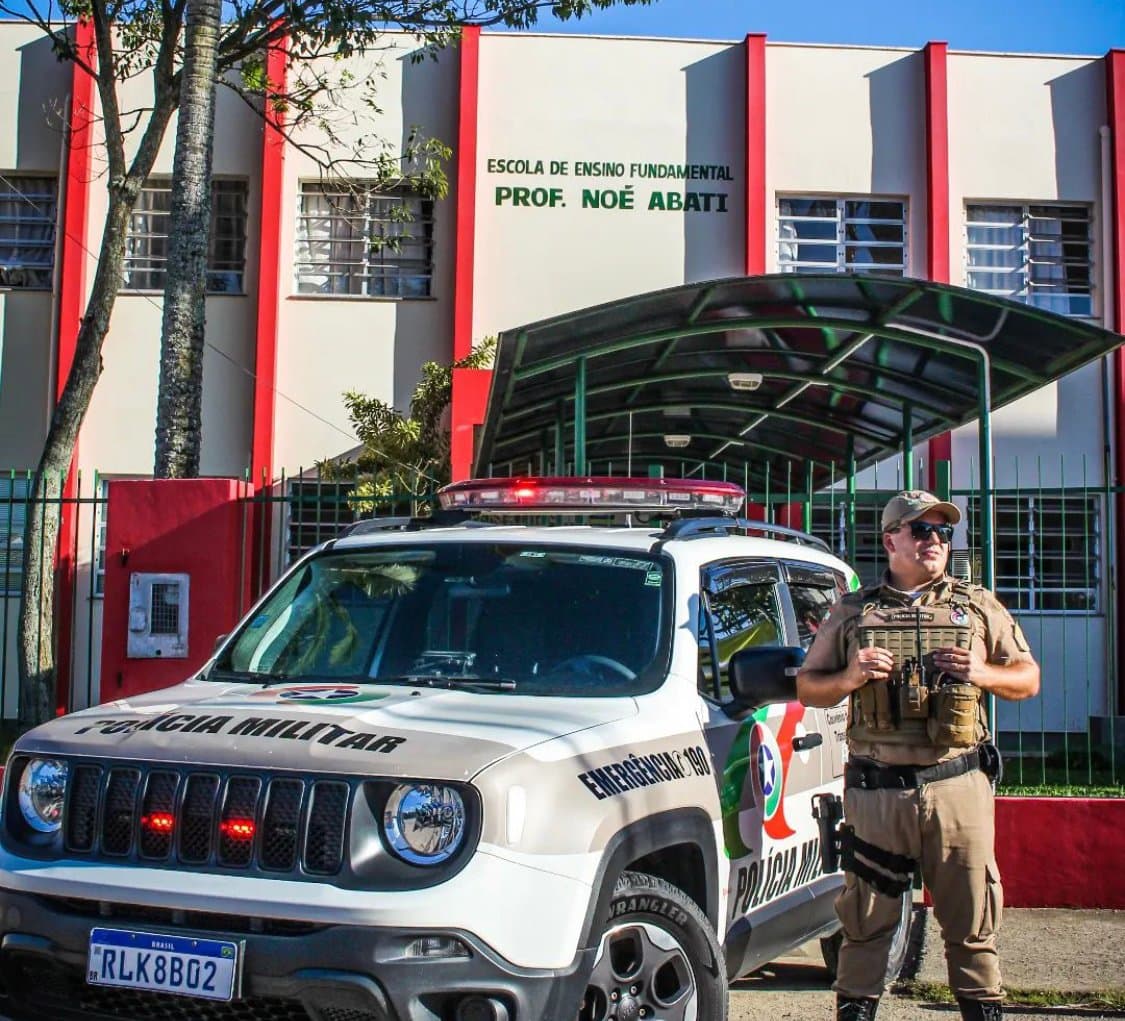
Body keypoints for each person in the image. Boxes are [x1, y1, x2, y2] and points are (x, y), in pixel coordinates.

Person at [797, 490, 1040, 1021]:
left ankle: (982, 1010)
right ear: (891, 540)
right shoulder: (854, 611)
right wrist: (849, 677)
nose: (935, 541)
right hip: (878, 791)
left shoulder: (977, 606)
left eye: (944, 532)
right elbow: (808, 687)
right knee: (866, 918)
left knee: (972, 917)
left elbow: (1028, 677)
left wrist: (981, 673)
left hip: (958, 784)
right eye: (922, 530)